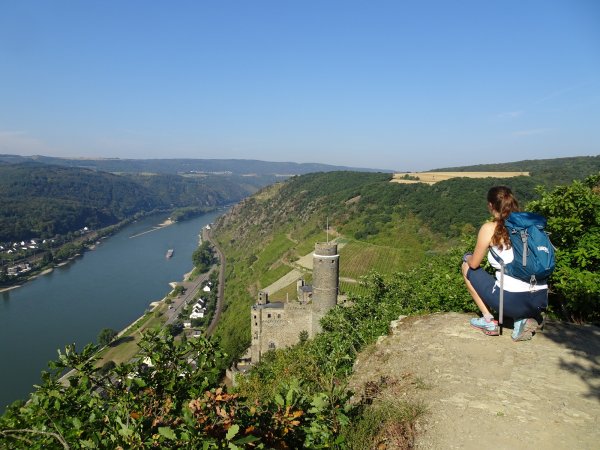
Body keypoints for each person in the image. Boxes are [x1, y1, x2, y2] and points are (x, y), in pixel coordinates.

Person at [461, 186, 548, 341]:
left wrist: (467, 257)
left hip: (511, 300)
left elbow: (474, 264)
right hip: (538, 300)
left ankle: (488, 321)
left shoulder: (489, 228)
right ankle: (521, 319)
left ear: (490, 205)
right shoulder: (530, 226)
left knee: (466, 267)